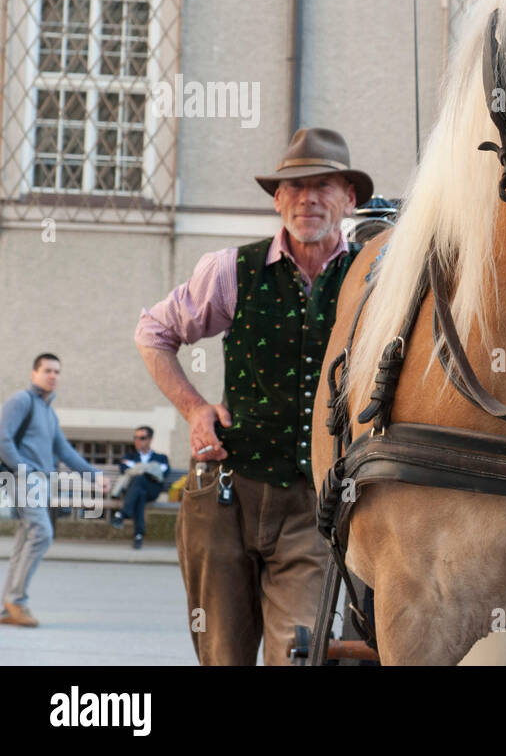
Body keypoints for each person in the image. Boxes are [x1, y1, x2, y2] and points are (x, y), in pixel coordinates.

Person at [134, 128, 370, 665]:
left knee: (299, 653)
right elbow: (153, 333)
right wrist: (194, 409)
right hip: (224, 494)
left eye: (324, 186)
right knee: (222, 656)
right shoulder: (229, 270)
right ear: (277, 199)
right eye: (295, 186)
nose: (308, 198)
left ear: (349, 198)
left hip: (315, 502)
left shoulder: (372, 276)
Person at [0, 354, 108, 627]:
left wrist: (92, 475)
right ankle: (17, 601)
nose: (53, 376)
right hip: (26, 479)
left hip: (41, 482)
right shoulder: (21, 401)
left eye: (57, 371)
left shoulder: (48, 411)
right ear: (33, 373)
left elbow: (64, 451)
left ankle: (10, 604)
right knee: (42, 533)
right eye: (47, 370)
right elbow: (2, 436)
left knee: (26, 539)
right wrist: (24, 469)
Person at [109, 426, 171, 549]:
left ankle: (122, 514)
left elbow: (162, 473)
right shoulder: (130, 456)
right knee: (139, 492)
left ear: (150, 439)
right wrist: (148, 469)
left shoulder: (161, 457)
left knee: (139, 480)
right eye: (136, 438)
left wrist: (138, 469)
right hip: (135, 491)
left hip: (152, 490)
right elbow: (123, 469)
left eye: (142, 438)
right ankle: (138, 535)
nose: (138, 441)